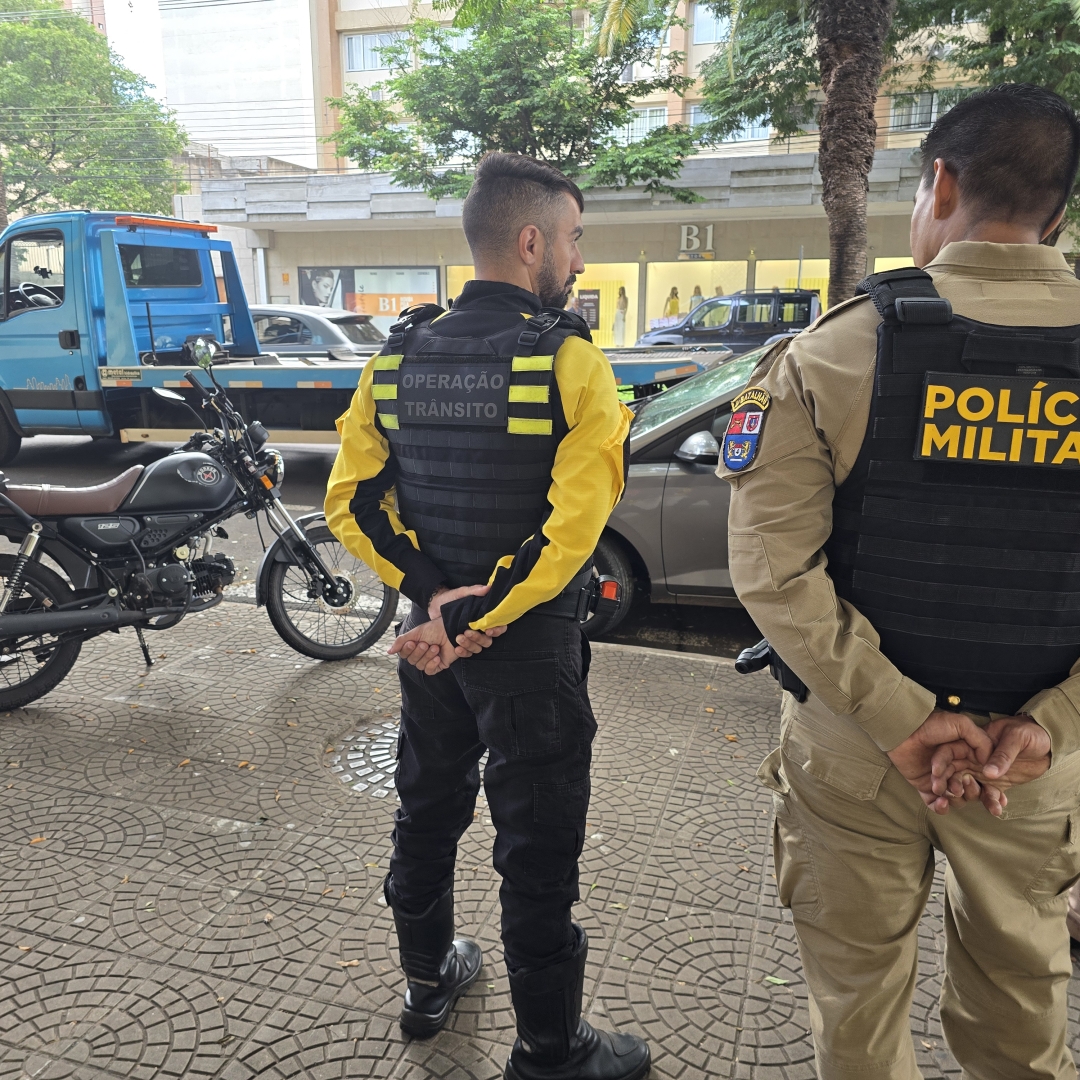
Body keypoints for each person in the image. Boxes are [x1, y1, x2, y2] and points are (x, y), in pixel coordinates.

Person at [721, 83, 1080, 1078]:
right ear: (1058, 208)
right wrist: (1052, 723)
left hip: (855, 755)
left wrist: (903, 717)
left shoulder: (836, 350)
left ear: (941, 183)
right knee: (1021, 1026)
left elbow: (771, 569)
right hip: (1032, 769)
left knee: (859, 1019)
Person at [325, 151, 649, 1080]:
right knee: (537, 841)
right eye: (577, 240)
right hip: (524, 649)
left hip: (431, 650)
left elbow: (351, 502)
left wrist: (433, 600)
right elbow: (572, 530)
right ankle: (551, 1049)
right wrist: (482, 613)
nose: (580, 262)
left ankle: (428, 985)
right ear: (533, 239)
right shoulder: (572, 362)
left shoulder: (394, 360)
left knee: (426, 809)